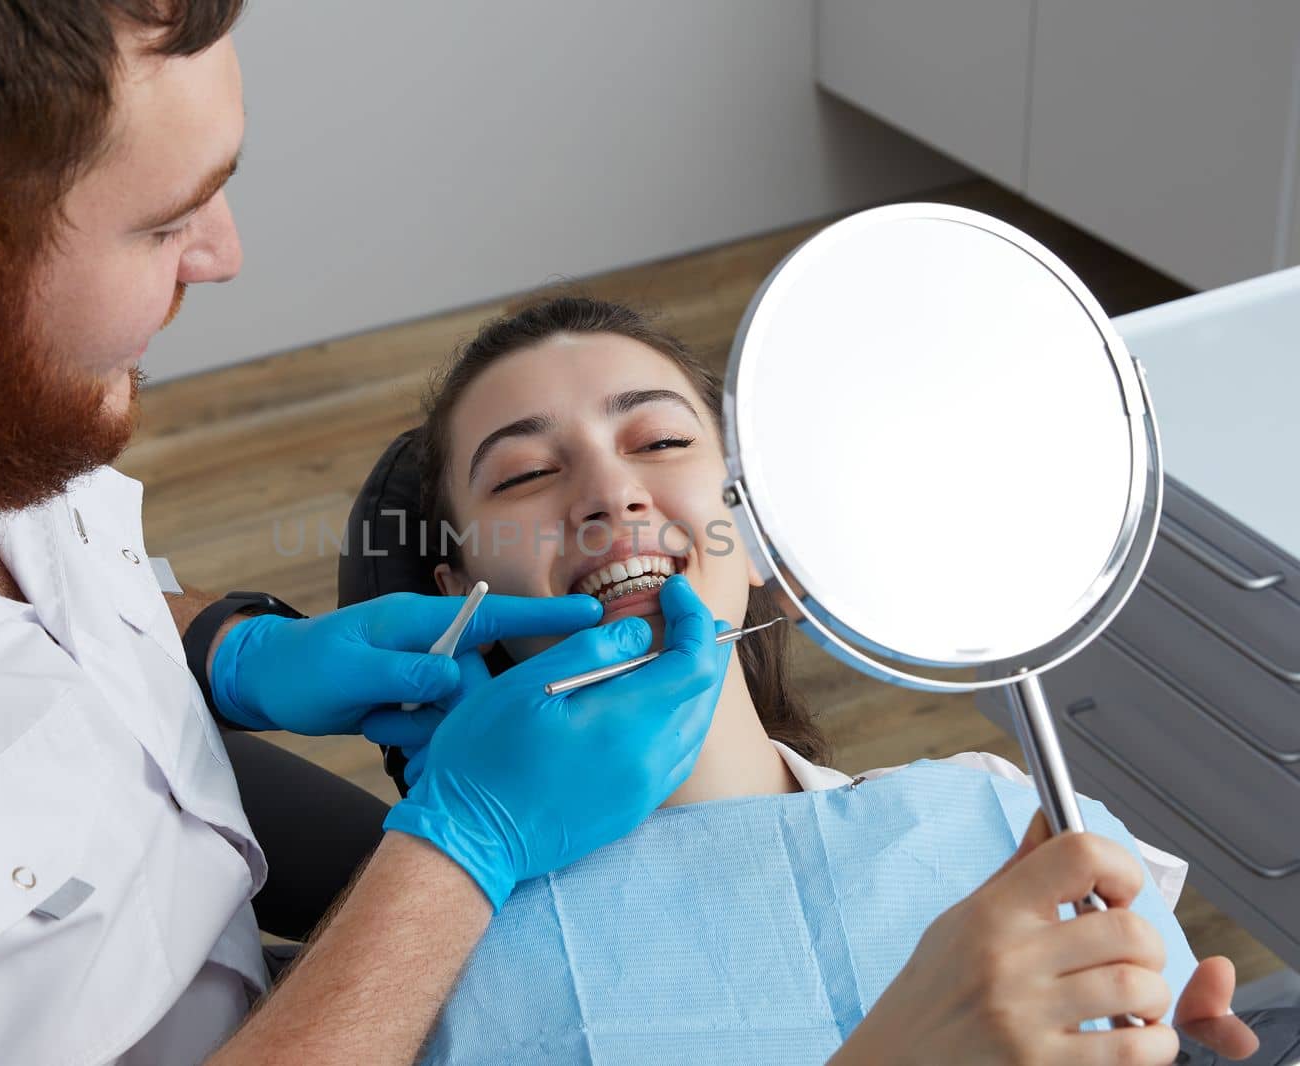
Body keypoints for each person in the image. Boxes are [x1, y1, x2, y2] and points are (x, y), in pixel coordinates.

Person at [0, 6, 728, 1064]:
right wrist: (462, 850)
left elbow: (33, 634)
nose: (222, 254)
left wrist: (229, 651)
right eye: (162, 223)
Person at [379, 295, 1259, 1063]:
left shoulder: (1001, 817)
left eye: (661, 440)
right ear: (463, 594)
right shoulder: (419, 959)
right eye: (527, 474)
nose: (612, 491)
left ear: (756, 527)